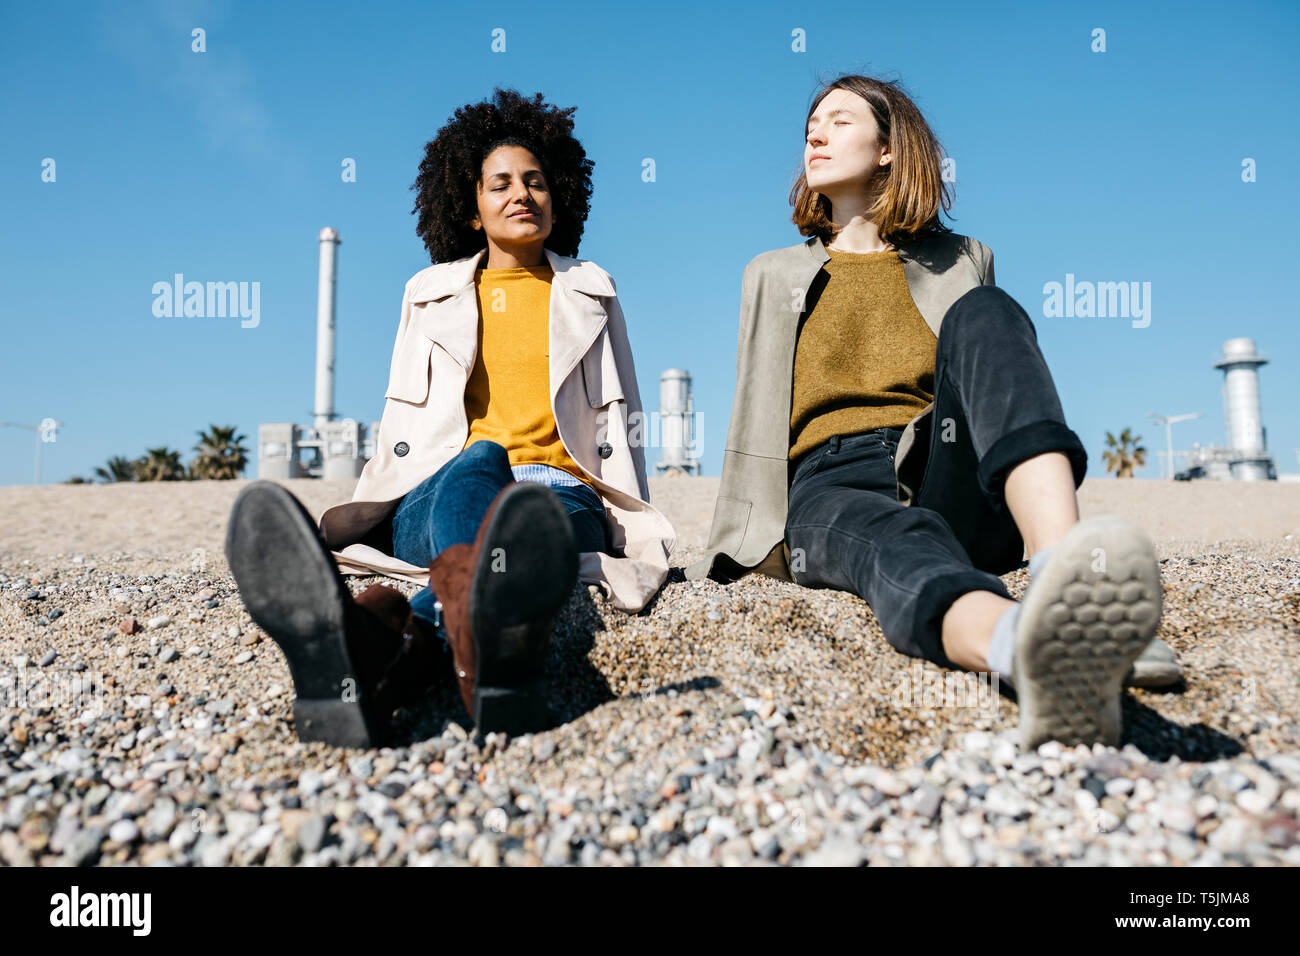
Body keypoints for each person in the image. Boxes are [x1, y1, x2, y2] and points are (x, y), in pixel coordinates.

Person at [686, 73, 1180, 750]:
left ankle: (1060, 573)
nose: (815, 132)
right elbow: (754, 410)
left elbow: (988, 380)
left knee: (989, 312)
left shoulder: (964, 260)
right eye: (810, 125)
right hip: (831, 483)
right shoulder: (770, 273)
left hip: (944, 461)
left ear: (889, 149)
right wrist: (745, 533)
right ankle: (1026, 647)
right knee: (899, 545)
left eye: (839, 120)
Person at [226, 88, 674, 748]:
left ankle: (377, 651)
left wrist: (632, 520)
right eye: (501, 184)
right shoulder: (428, 294)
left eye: (537, 182)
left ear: (559, 198)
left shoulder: (592, 291)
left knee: (520, 517)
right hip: (441, 493)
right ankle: (487, 641)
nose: (523, 194)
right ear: (471, 210)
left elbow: (624, 413)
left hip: (553, 505)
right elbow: (404, 427)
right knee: (481, 460)